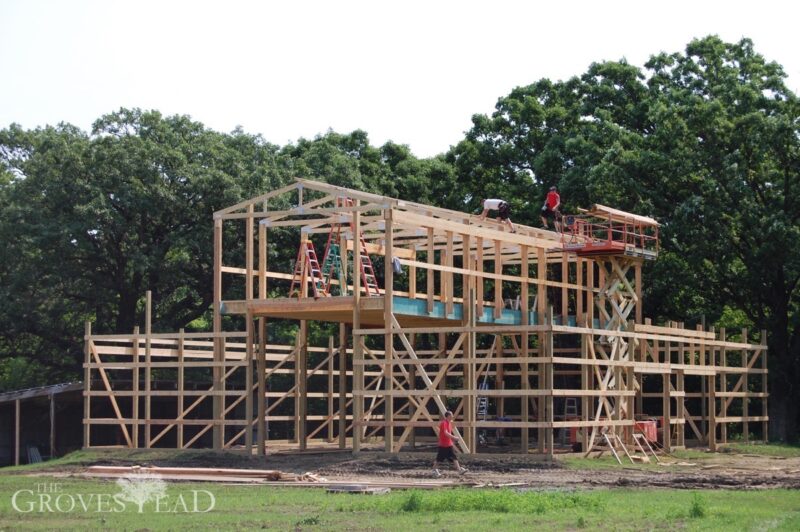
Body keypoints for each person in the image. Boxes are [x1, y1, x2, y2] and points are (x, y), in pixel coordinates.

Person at [432, 411, 468, 477]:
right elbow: (446, 433)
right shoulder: (444, 423)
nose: (453, 416)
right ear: (448, 416)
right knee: (439, 458)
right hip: (443, 444)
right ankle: (434, 470)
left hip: (448, 444)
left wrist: (452, 439)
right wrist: (454, 437)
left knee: (454, 457)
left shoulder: (449, 423)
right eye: (451, 415)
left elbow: (447, 433)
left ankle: (459, 469)